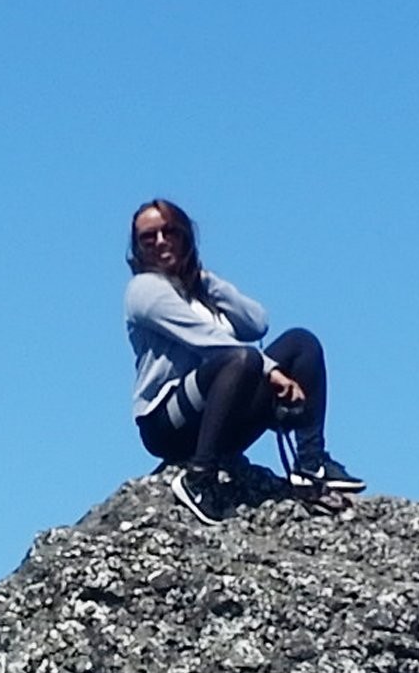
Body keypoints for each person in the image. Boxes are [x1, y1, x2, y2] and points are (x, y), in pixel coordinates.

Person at [123, 198, 353, 487]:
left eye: (170, 232)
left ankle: (311, 463)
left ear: (185, 235)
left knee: (301, 343)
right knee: (243, 359)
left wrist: (202, 279)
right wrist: (271, 371)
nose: (160, 241)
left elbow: (256, 323)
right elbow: (205, 340)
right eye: (148, 237)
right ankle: (201, 477)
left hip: (218, 415)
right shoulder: (144, 290)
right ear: (138, 248)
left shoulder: (199, 290)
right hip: (167, 423)